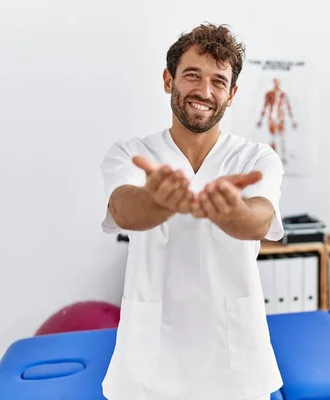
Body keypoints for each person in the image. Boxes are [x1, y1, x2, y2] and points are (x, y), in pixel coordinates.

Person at [100, 23, 285, 400]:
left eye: (218, 81)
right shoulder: (131, 153)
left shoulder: (256, 158)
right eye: (192, 75)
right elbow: (123, 210)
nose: (204, 91)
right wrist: (155, 200)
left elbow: (261, 220)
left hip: (233, 362)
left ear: (231, 95)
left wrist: (232, 212)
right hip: (150, 362)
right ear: (169, 80)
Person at [256, 78, 297, 165]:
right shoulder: (269, 94)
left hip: (281, 117)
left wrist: (293, 120)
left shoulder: (283, 94)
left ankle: (283, 157)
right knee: (273, 138)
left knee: (282, 138)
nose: (276, 85)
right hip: (272, 117)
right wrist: (260, 120)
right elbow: (265, 106)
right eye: (275, 83)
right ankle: (273, 158)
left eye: (277, 83)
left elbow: (288, 107)